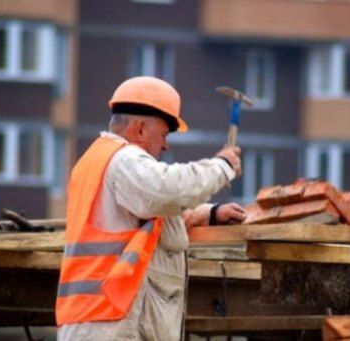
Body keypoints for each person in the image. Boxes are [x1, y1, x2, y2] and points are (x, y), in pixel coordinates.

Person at [56, 76, 246, 340]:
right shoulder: (124, 160)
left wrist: (209, 213)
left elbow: (151, 215)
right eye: (164, 134)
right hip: (111, 320)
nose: (166, 145)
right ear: (142, 129)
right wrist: (221, 166)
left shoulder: (98, 161)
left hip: (96, 319)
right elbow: (167, 189)